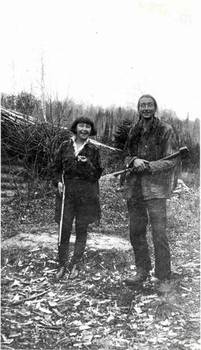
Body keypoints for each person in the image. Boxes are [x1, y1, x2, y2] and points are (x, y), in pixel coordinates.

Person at [123, 94, 179, 286]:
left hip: (156, 190)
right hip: (135, 189)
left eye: (149, 105)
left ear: (155, 108)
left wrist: (148, 166)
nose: (146, 108)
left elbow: (172, 160)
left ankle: (163, 276)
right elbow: (126, 155)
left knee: (159, 233)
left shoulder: (166, 130)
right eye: (142, 105)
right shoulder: (134, 130)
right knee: (136, 231)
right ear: (138, 108)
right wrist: (133, 160)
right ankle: (142, 270)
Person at [52, 117, 103, 280]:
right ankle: (62, 264)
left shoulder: (93, 150)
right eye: (81, 126)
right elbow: (55, 168)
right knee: (64, 229)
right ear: (76, 128)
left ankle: (76, 264)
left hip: (86, 195)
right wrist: (58, 181)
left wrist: (87, 163)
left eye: (87, 127)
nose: (84, 129)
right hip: (66, 194)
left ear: (91, 130)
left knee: (81, 229)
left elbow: (97, 174)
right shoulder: (64, 146)